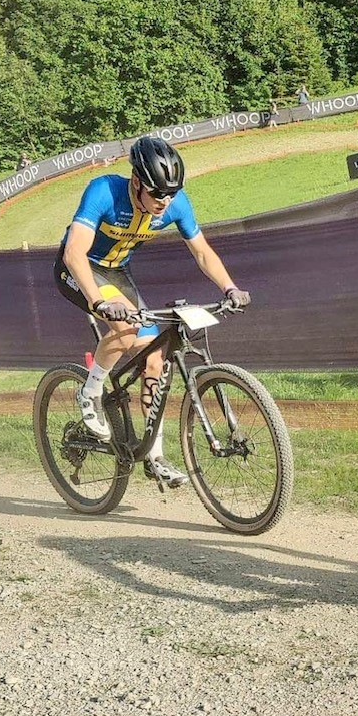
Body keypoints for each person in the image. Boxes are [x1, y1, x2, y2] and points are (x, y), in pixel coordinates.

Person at [55, 136, 252, 489]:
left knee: (154, 361)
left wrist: (230, 288)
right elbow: (74, 253)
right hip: (80, 268)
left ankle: (155, 456)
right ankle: (90, 391)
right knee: (125, 329)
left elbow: (202, 252)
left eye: (171, 193)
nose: (165, 201)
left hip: (117, 273)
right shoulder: (104, 191)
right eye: (157, 193)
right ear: (136, 182)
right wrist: (99, 303)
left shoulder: (175, 204)